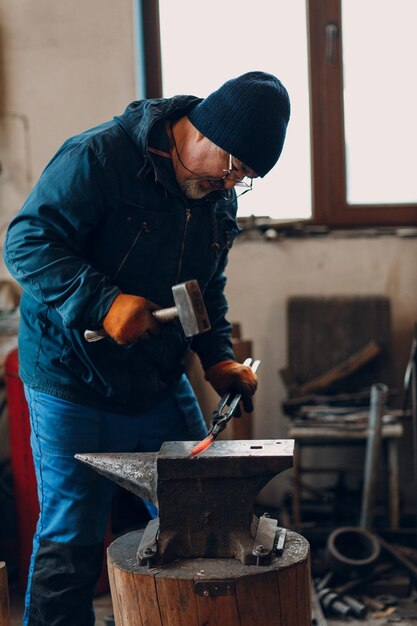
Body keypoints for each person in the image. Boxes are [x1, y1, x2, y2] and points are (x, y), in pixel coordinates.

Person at [3, 70, 290, 625]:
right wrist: (102, 301)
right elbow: (26, 242)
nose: (232, 184)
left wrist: (218, 358)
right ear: (203, 132)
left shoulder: (214, 197)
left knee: (199, 515)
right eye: (234, 167)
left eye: (246, 178)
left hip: (157, 377)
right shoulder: (100, 158)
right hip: (71, 375)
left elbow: (204, 289)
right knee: (72, 536)